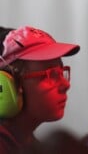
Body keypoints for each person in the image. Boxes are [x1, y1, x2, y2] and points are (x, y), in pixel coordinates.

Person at [0, 25, 80, 154]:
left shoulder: (28, 144)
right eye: (51, 75)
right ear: (5, 84)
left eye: (61, 72)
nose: (66, 85)